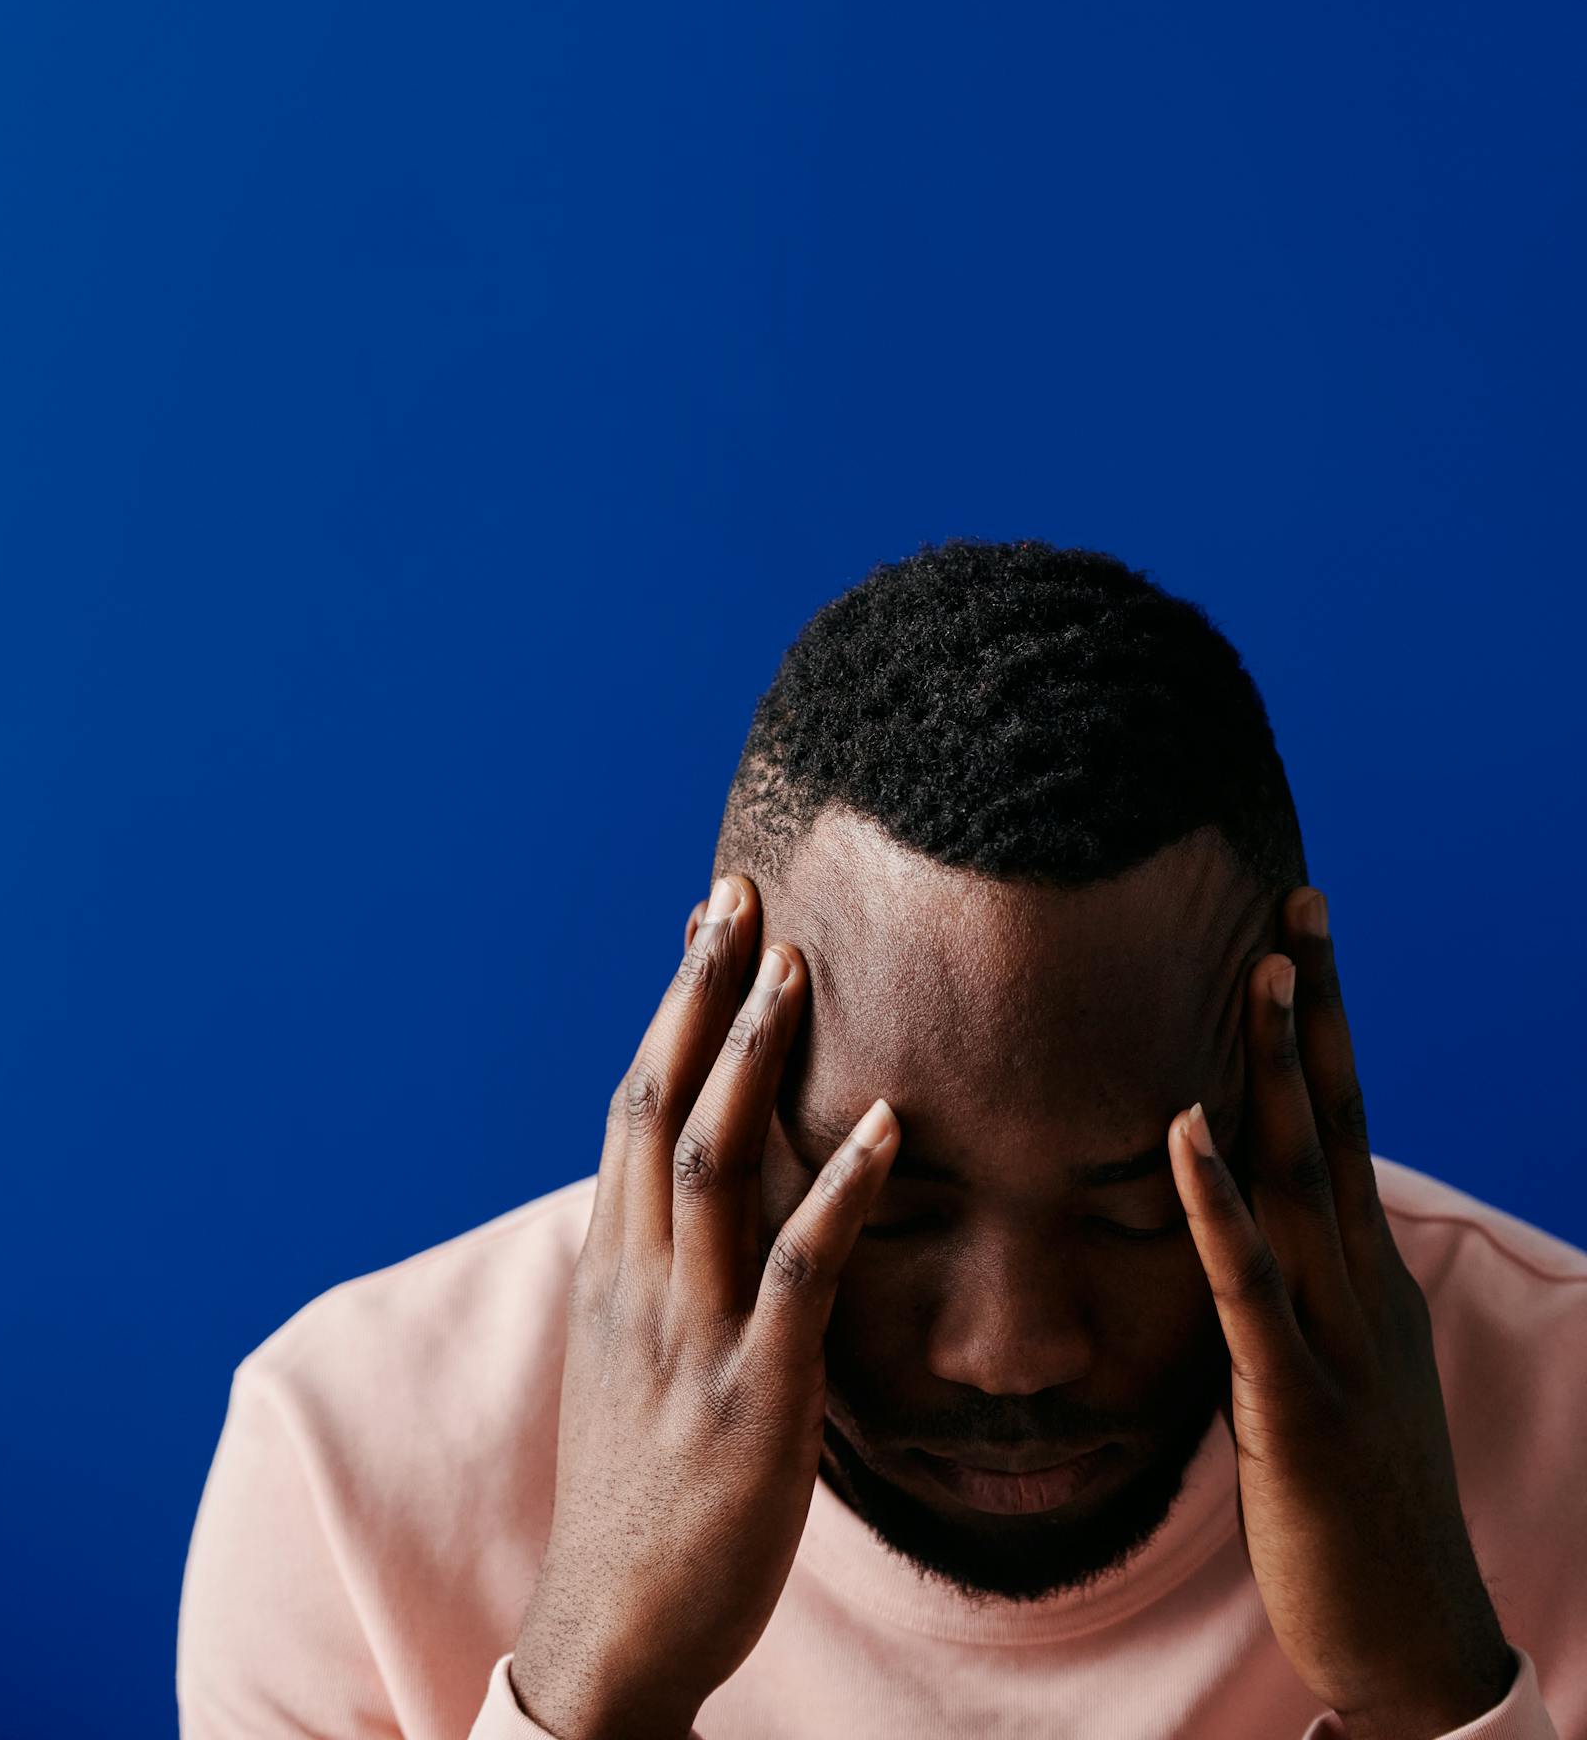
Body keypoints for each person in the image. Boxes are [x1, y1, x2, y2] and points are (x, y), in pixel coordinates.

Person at [177, 540, 1586, 1738]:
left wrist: (1435, 1687)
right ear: (706, 1037)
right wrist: (585, 1682)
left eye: (1140, 1205)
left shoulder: (1567, 1418)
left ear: (1296, 1062)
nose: (1014, 1347)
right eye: (889, 1203)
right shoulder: (352, 1469)